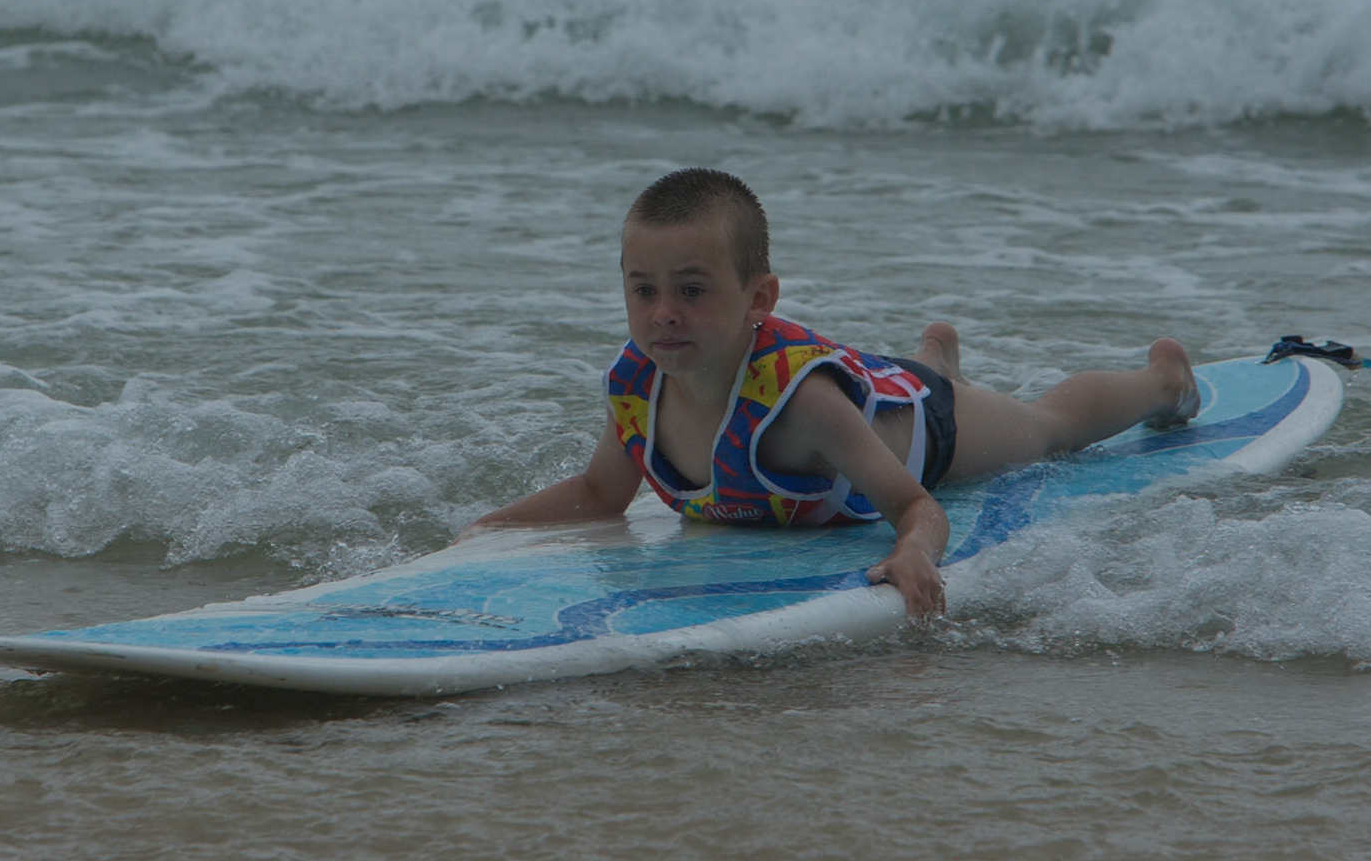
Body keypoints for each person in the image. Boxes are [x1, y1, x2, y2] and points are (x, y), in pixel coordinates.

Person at [466, 168, 1199, 618]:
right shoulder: (637, 389)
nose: (664, 313)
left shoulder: (802, 407)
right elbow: (600, 494)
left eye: (692, 290)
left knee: (1048, 429)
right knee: (923, 374)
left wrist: (916, 554)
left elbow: (916, 505)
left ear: (760, 297)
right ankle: (934, 352)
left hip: (925, 430)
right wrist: (483, 530)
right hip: (863, 382)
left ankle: (1161, 381)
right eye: (644, 290)